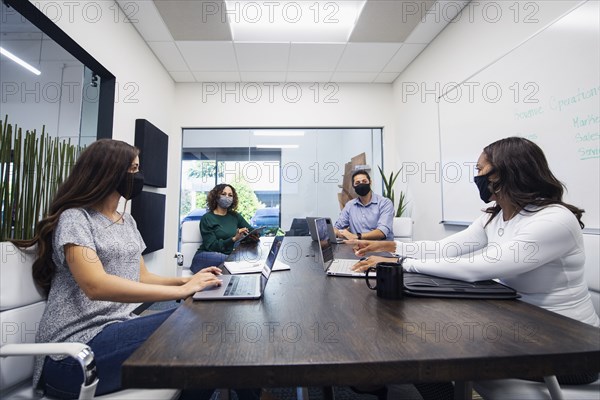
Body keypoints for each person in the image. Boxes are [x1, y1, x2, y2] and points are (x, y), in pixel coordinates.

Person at [11, 139, 256, 399]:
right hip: (74, 355)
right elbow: (95, 285)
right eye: (132, 169)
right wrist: (185, 289)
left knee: (209, 321)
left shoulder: (126, 219)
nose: (138, 176)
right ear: (107, 171)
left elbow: (142, 276)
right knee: (201, 325)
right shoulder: (75, 218)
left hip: (117, 329)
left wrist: (189, 281)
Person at [352, 137, 600, 388]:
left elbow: (478, 267)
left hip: (571, 350)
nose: (477, 177)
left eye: (481, 170)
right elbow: (446, 248)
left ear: (506, 173)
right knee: (420, 339)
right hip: (520, 327)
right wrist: (392, 248)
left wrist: (401, 264)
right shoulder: (495, 216)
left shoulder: (553, 220)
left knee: (424, 348)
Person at [190, 183, 257, 273]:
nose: (227, 197)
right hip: (206, 256)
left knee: (238, 259)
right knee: (236, 260)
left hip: (227, 255)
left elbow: (251, 230)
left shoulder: (235, 216)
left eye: (230, 195)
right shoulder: (207, 218)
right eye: (223, 194)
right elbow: (211, 246)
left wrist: (253, 234)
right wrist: (233, 239)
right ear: (216, 196)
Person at [334, 169, 394, 241]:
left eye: (364, 181)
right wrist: (338, 232)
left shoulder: (385, 203)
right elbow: (337, 227)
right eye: (357, 183)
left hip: (381, 248)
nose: (361, 184)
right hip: (358, 248)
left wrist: (356, 236)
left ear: (370, 182)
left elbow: (382, 232)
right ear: (353, 186)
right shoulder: (350, 205)